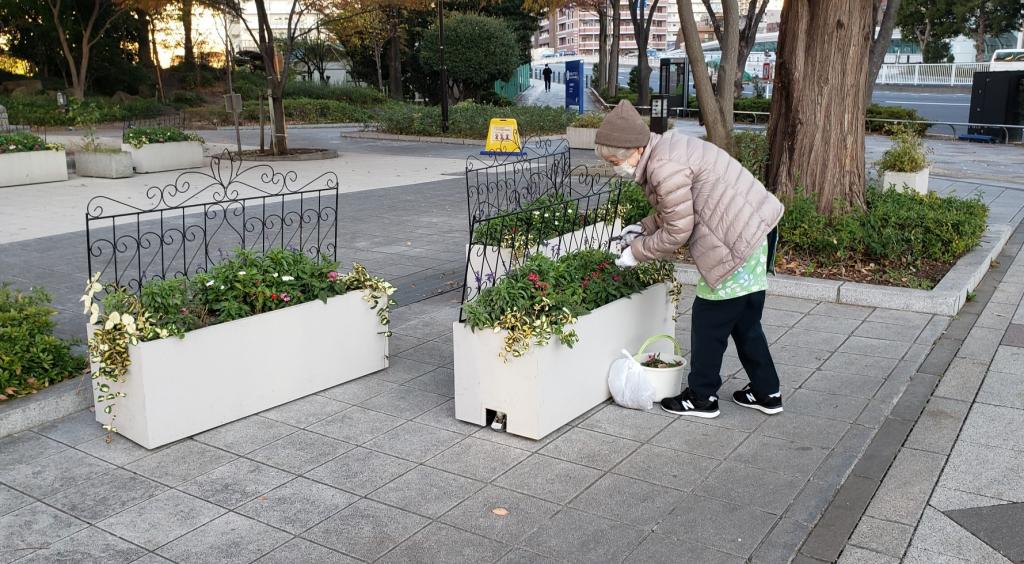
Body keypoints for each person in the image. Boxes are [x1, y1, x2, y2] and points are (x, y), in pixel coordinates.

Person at [595, 99, 785, 419]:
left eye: (616, 160)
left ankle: (701, 397)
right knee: (745, 321)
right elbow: (678, 207)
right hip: (757, 231)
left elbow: (678, 230)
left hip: (734, 244)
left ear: (636, 150)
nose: (616, 168)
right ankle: (767, 391)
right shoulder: (668, 150)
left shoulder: (662, 166)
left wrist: (635, 253)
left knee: (709, 321)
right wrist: (641, 228)